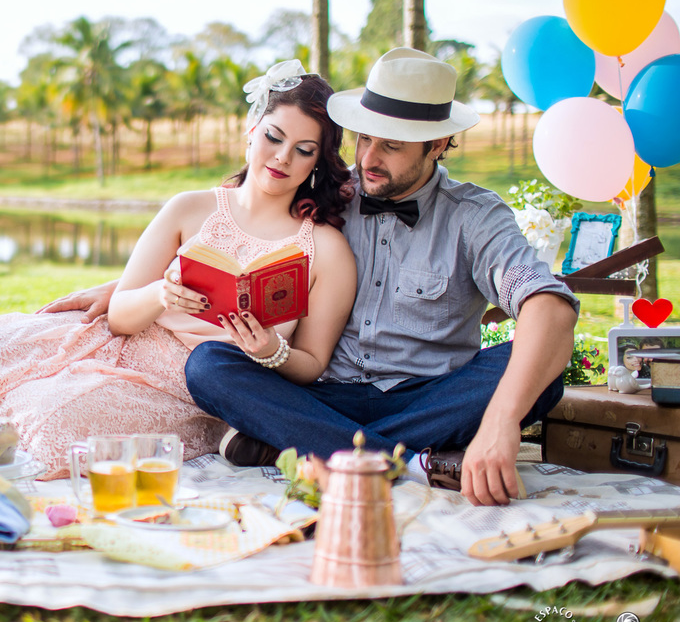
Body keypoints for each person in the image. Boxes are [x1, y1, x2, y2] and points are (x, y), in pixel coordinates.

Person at [51, 48, 580, 506]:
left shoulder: (475, 216)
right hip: (322, 394)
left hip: (429, 396)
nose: (368, 161)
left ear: (438, 146)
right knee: (211, 364)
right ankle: (403, 462)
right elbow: (243, 222)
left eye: (391, 147)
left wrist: (502, 422)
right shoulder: (329, 193)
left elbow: (549, 308)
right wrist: (140, 286)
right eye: (364, 140)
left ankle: (308, 444)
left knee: (538, 372)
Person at [0, 61, 357, 479]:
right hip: (128, 343)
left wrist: (270, 351)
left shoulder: (324, 248)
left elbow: (313, 363)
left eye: (303, 150)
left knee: (52, 422)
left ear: (317, 161)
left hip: (193, 389)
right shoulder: (189, 207)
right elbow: (119, 316)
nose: (282, 157)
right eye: (273, 137)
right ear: (251, 131)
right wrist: (162, 293)